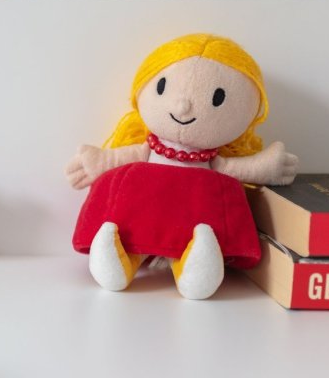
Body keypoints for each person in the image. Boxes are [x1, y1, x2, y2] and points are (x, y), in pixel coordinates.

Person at [67, 33, 298, 300]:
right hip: (144, 212)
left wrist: (267, 167)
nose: (183, 106)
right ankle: (120, 258)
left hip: (194, 219)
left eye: (218, 97)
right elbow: (118, 159)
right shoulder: (147, 150)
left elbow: (237, 169)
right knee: (132, 233)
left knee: (198, 236)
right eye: (162, 87)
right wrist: (97, 162)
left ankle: (195, 266)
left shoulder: (212, 160)